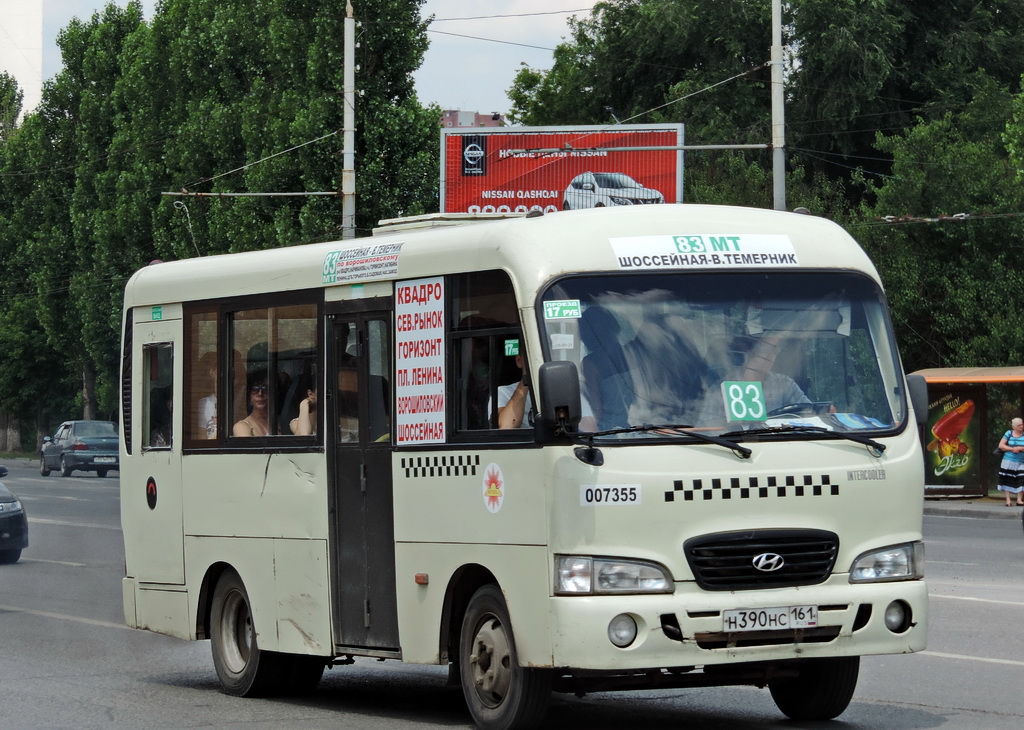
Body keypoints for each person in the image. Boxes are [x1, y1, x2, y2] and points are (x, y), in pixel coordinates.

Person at [497, 353, 597, 431]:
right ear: (519, 361)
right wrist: (526, 379)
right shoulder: (504, 392)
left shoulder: (566, 390)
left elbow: (590, 431)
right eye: (533, 356)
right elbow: (507, 426)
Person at [579, 306, 633, 430]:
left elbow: (596, 409)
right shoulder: (632, 353)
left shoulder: (590, 363)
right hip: (645, 427)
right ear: (614, 328)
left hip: (612, 432)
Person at [233, 370, 271, 437]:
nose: (260, 394)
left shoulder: (282, 423)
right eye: (255, 388)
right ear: (249, 396)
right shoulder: (242, 426)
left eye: (265, 388)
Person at [996, 417, 1024, 506]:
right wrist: (1012, 449)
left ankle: (1019, 499)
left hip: (1021, 460)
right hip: (1008, 459)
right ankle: (1008, 501)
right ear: (1014, 427)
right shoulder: (1009, 433)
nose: (1022, 426)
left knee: (1022, 478)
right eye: (1019, 425)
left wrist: (1020, 448)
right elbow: (1001, 445)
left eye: (1022, 424)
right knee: (1007, 478)